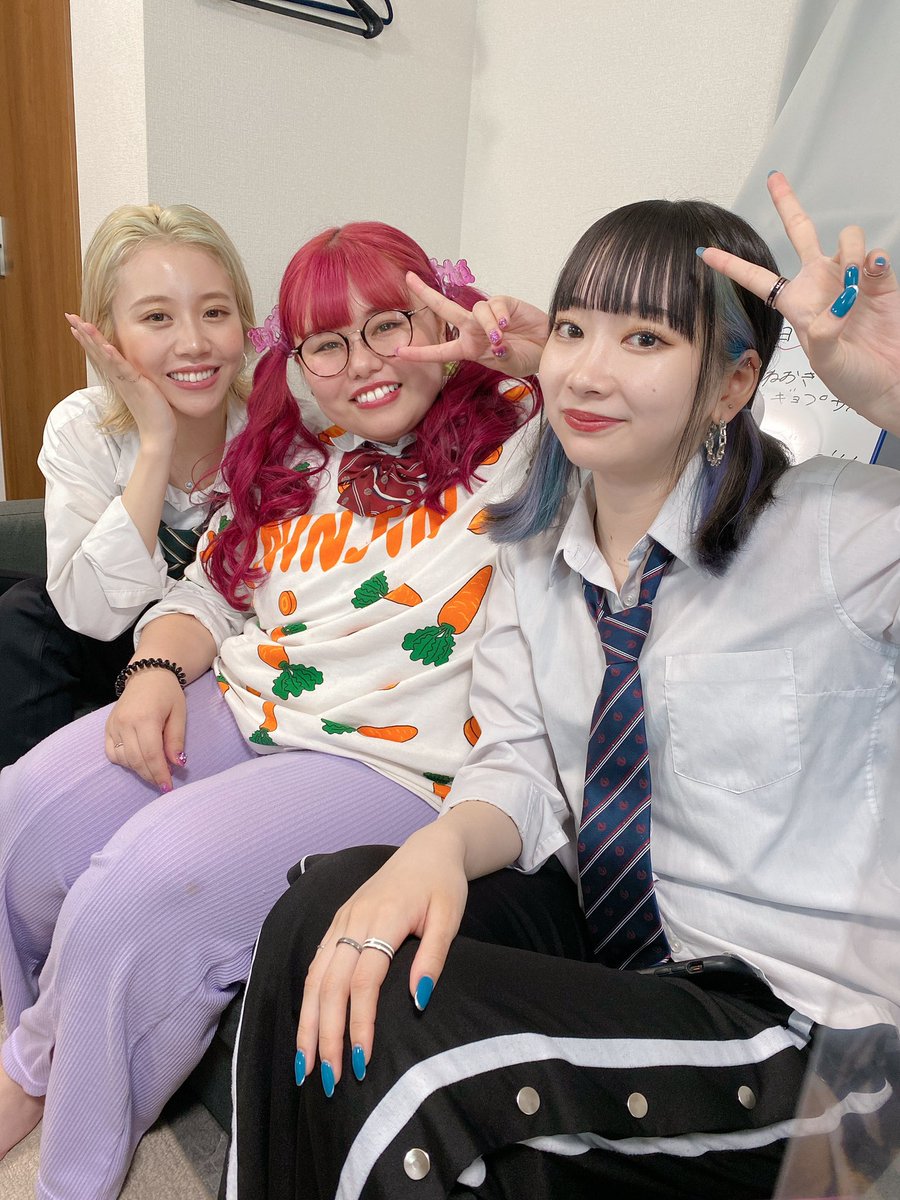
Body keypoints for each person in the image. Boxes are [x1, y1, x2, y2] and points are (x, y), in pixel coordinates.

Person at [228, 174, 900, 1200]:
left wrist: (891, 398)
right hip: (614, 945)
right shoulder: (537, 542)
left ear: (732, 385)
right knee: (324, 914)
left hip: (802, 1016)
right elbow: (520, 765)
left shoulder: (836, 531)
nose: (586, 370)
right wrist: (440, 845)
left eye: (645, 339)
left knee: (424, 1063)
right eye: (576, 328)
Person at [0, 221, 542, 1199]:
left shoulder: (528, 446)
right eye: (329, 342)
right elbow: (207, 591)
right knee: (21, 810)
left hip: (387, 761)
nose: (363, 362)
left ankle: (68, 1163)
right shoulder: (301, 456)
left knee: (143, 881)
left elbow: (657, 425)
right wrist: (154, 669)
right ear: (298, 360)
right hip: (244, 701)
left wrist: (537, 355)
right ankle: (23, 1049)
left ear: (439, 317)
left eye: (390, 325)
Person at [0, 202, 255, 769]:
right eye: (157, 317)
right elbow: (91, 615)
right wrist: (156, 441)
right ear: (107, 333)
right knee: (22, 612)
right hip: (110, 637)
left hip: (226, 644)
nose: (194, 343)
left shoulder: (283, 430)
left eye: (215, 312)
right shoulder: (81, 425)